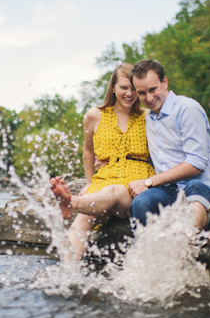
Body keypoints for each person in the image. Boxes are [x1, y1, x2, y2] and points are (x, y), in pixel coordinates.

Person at [50, 63, 155, 259]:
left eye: (133, 88)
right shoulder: (94, 115)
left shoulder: (148, 116)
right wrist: (90, 183)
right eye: (124, 87)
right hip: (104, 178)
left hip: (135, 184)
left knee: (112, 191)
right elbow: (88, 150)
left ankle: (71, 202)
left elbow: (163, 152)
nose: (129, 93)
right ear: (113, 87)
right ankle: (68, 274)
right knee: (83, 220)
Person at [127, 59, 210, 231]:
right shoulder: (147, 118)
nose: (149, 98)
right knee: (142, 201)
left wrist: (149, 182)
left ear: (164, 82)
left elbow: (197, 164)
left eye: (153, 89)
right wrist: (106, 160)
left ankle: (182, 252)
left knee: (194, 186)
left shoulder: (187, 109)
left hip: (202, 192)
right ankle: (148, 254)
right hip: (168, 193)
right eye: (142, 93)